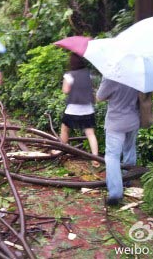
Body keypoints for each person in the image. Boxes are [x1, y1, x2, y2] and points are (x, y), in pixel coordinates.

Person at [96, 78, 139, 206]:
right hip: (133, 120)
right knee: (129, 149)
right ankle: (128, 179)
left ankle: (115, 192)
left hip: (116, 122)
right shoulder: (137, 76)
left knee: (112, 156)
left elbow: (99, 97)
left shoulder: (112, 76)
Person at [60, 53, 99, 167]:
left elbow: (65, 90)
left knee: (65, 129)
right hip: (88, 109)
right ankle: (95, 158)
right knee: (91, 134)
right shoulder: (89, 74)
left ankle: (63, 150)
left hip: (73, 109)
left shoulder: (69, 75)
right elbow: (93, 88)